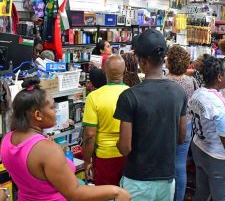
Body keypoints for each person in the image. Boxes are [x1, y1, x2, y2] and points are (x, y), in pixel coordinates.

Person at [0, 77, 130, 201]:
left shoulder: (7, 139)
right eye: (52, 107)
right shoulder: (46, 150)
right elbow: (74, 193)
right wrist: (116, 191)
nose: (56, 111)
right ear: (38, 115)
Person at [114, 29, 187, 201]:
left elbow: (125, 147)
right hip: (167, 178)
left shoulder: (129, 96)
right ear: (164, 59)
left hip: (138, 179)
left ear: (142, 61)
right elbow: (181, 137)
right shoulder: (179, 92)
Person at [189, 56, 225, 201]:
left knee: (202, 191)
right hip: (218, 156)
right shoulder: (222, 105)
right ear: (219, 77)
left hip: (199, 146)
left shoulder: (197, 93)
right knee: (223, 196)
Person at [82, 55, 129, 186]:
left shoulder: (94, 97)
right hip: (129, 155)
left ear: (104, 71)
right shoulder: (132, 93)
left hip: (105, 156)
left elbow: (90, 135)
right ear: (124, 71)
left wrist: (87, 161)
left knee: (105, 195)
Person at [165, 45, 198, 201]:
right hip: (187, 124)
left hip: (167, 126)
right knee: (180, 165)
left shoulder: (164, 81)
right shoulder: (191, 81)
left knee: (166, 163)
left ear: (169, 62)